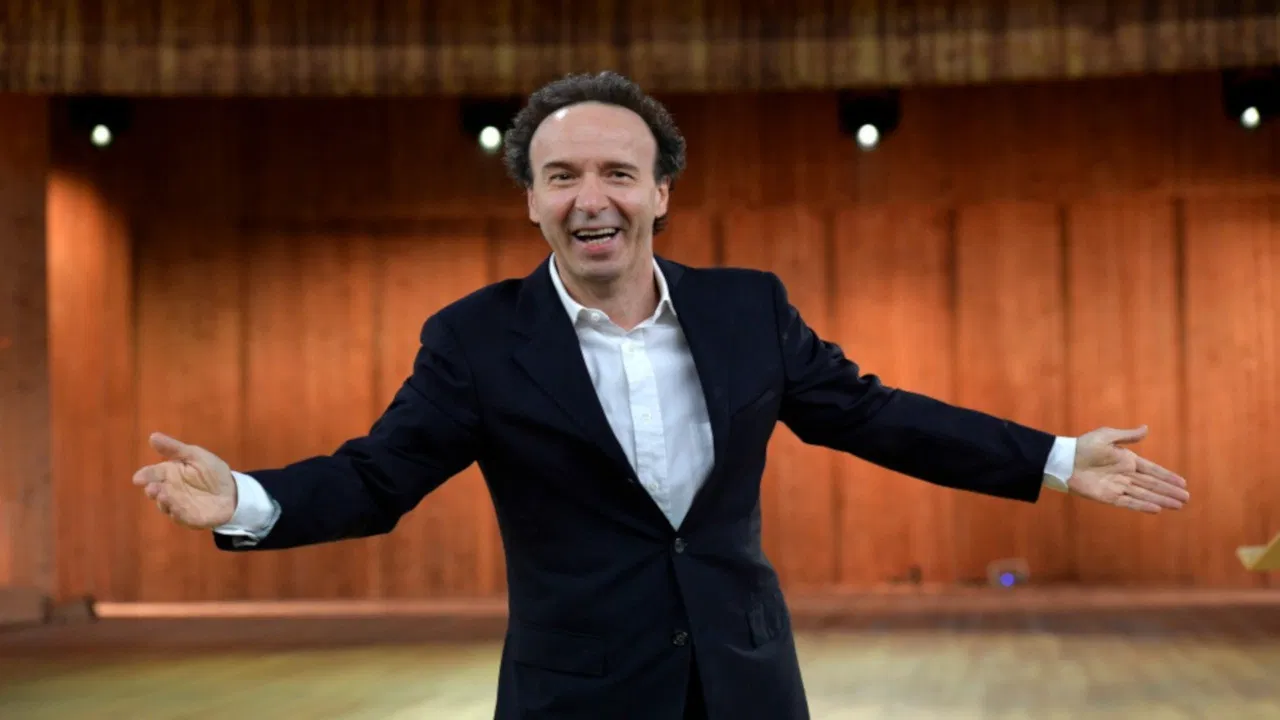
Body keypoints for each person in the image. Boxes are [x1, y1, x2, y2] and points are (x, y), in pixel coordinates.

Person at [133, 71, 1190, 719]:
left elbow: (874, 415)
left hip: (746, 682)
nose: (589, 198)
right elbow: (379, 477)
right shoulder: (476, 339)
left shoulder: (746, 308)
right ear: (532, 203)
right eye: (561, 177)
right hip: (574, 694)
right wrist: (249, 500)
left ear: (659, 191)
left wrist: (1055, 458)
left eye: (616, 173)